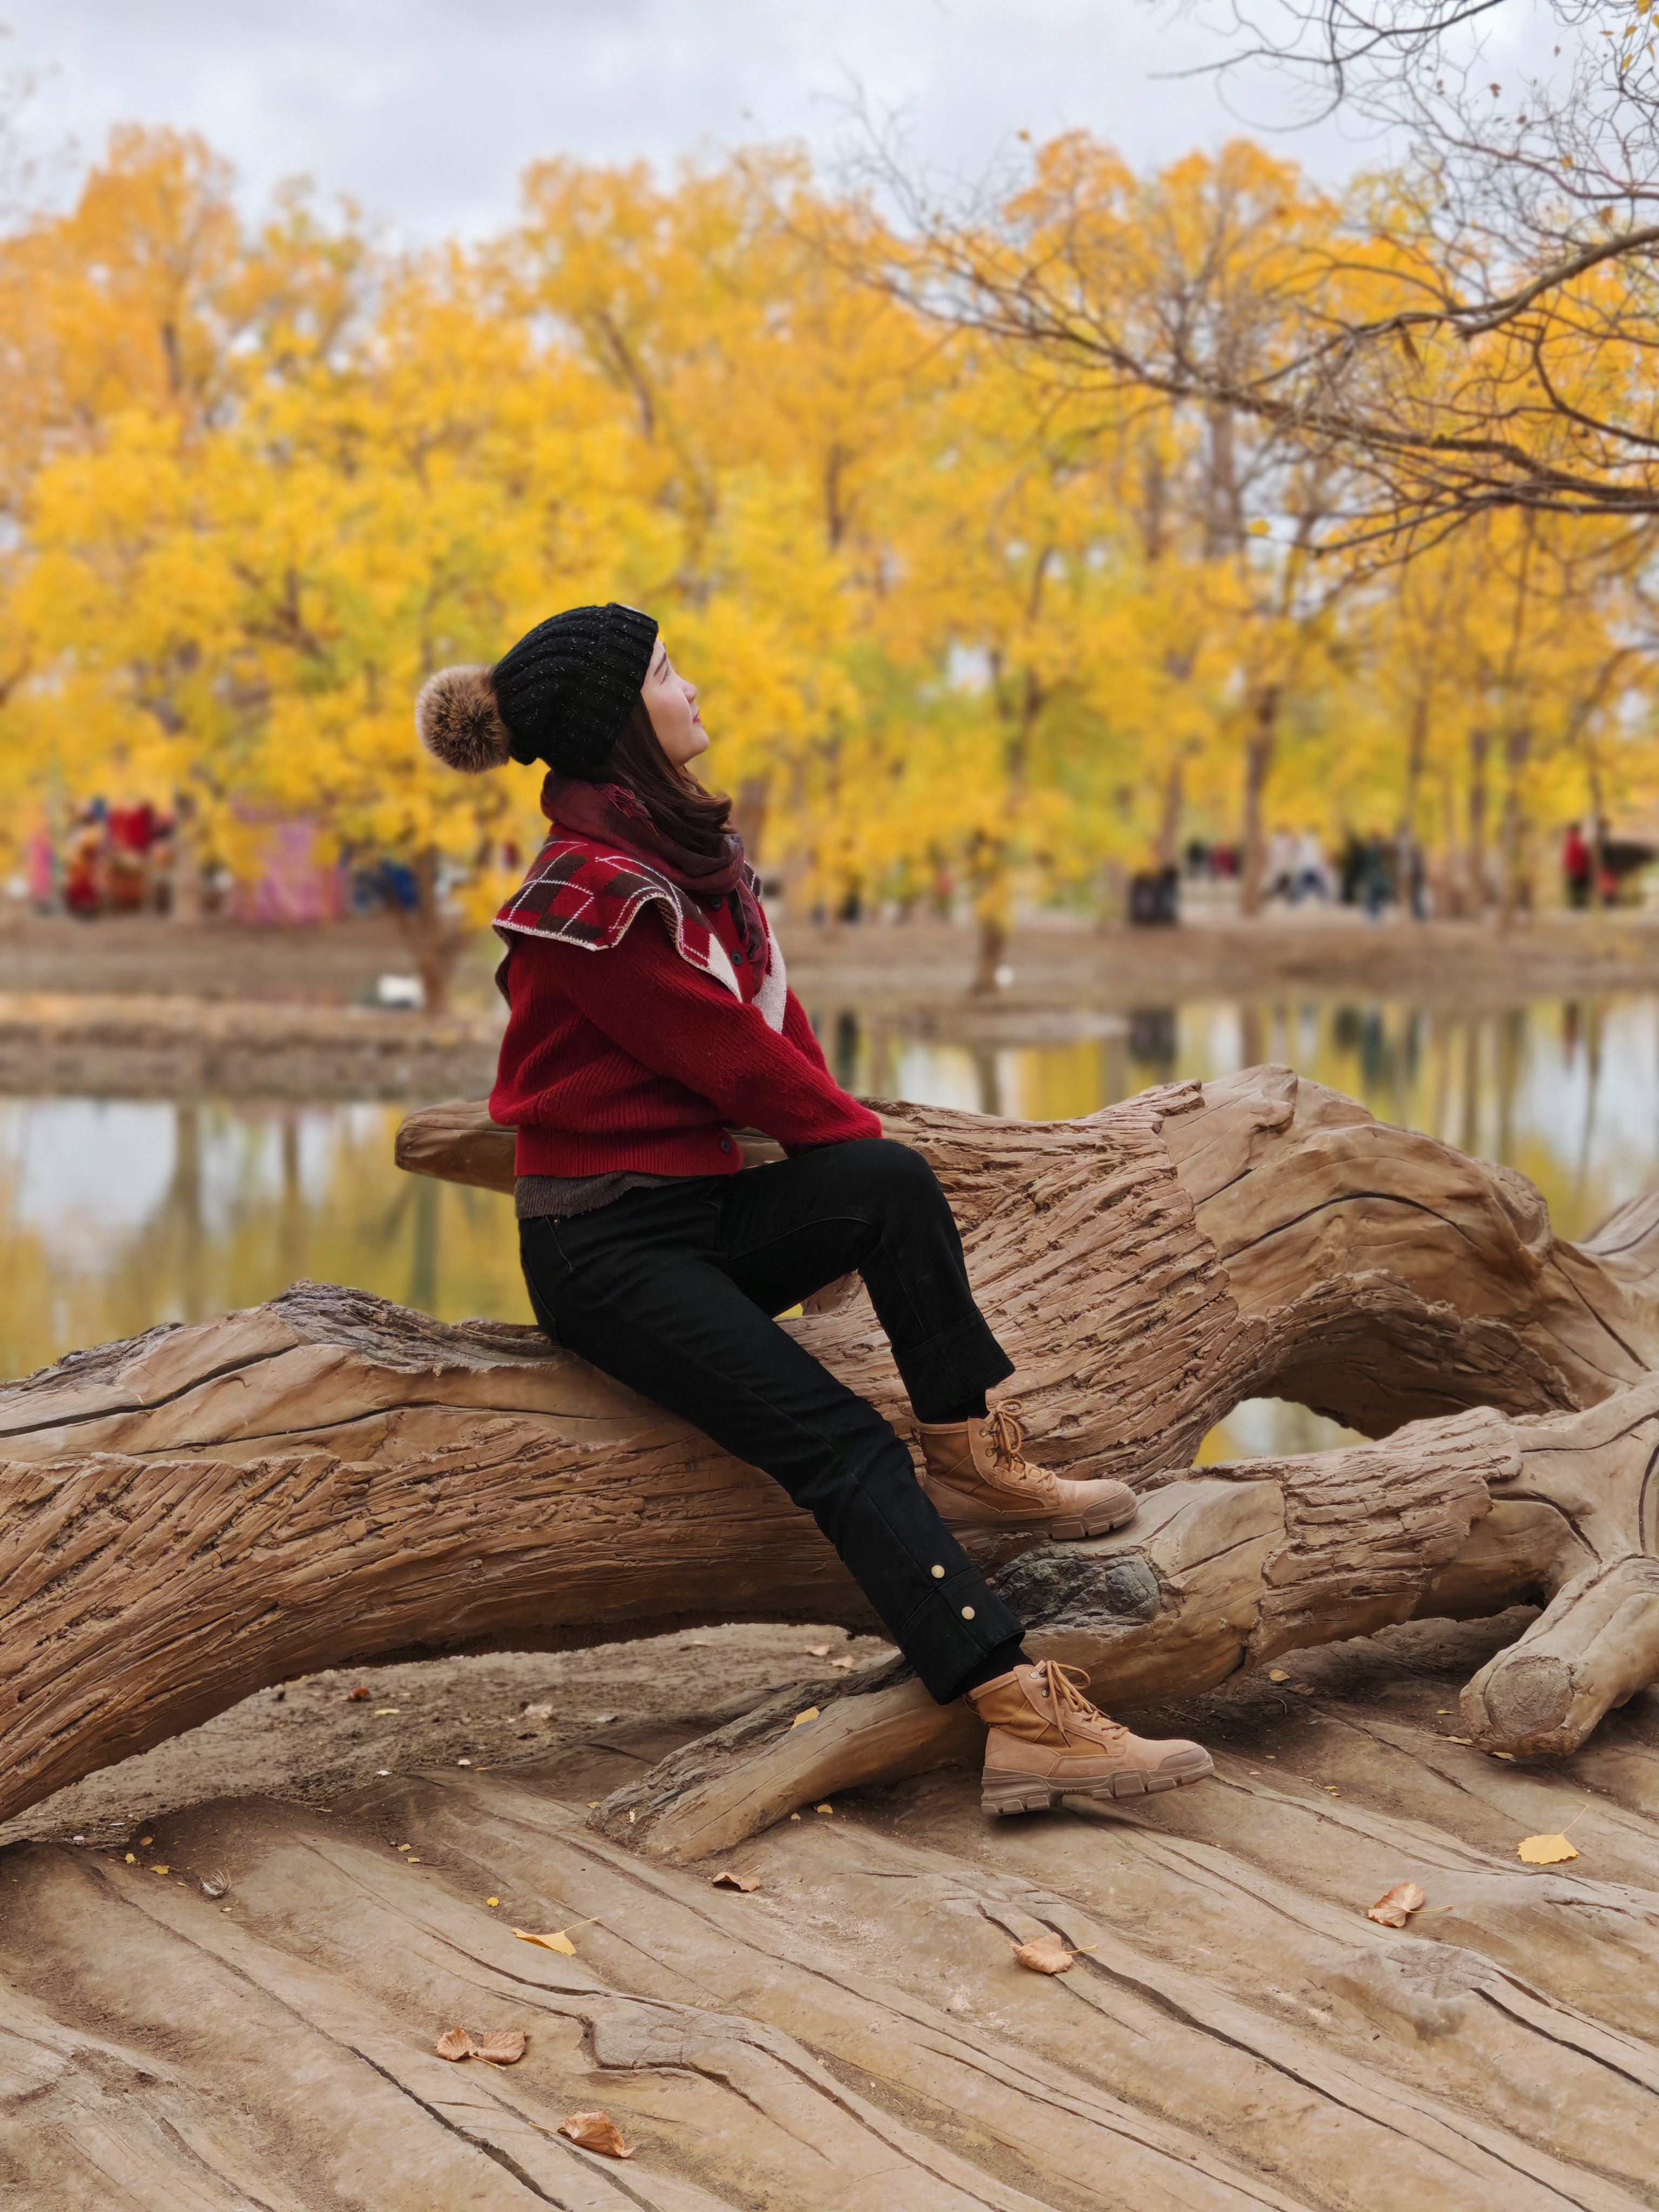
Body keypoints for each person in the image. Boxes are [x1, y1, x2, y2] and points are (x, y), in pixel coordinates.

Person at [416, 604, 1214, 1817]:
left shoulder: (684, 856)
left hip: (693, 1214)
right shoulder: (588, 893)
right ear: (620, 718)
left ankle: (968, 1453)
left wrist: (850, 1158)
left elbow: (778, 1031)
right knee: (842, 1444)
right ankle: (1018, 1712)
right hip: (603, 1251)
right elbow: (732, 1060)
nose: (692, 687)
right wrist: (838, 1134)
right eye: (667, 672)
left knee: (885, 1184)